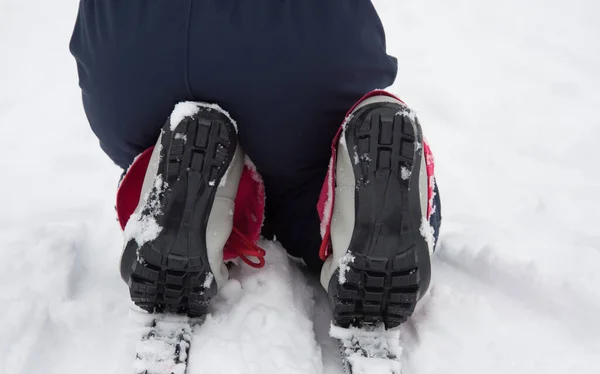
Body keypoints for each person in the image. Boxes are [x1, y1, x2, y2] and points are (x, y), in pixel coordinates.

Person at [70, 0, 441, 329]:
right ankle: (350, 214)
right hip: (292, 62)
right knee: (315, 180)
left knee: (155, 149)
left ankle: (179, 180)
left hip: (130, 59)